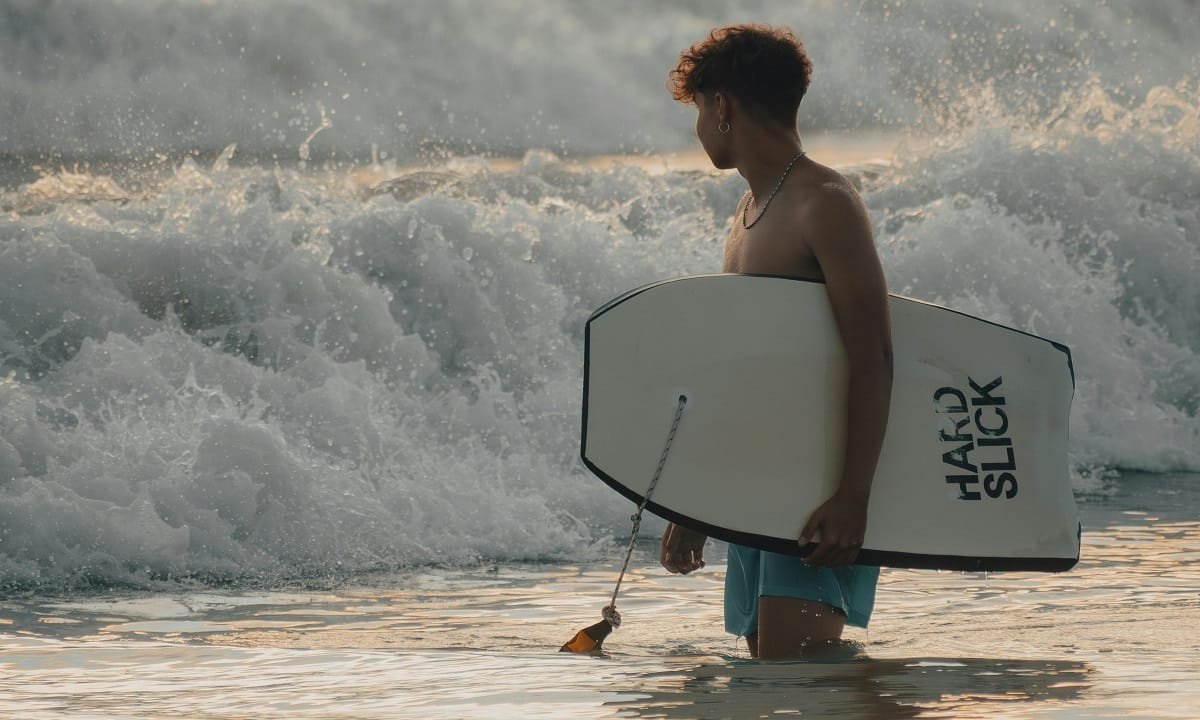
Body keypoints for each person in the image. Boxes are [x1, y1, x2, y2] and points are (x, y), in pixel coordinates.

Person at [659, 24, 894, 660]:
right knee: (770, 674)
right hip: (759, 486)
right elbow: (748, 377)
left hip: (816, 489)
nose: (699, 129)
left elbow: (872, 356)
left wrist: (852, 498)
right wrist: (698, 506)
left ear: (723, 105)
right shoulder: (747, 214)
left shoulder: (824, 203)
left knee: (799, 680)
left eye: (698, 111)